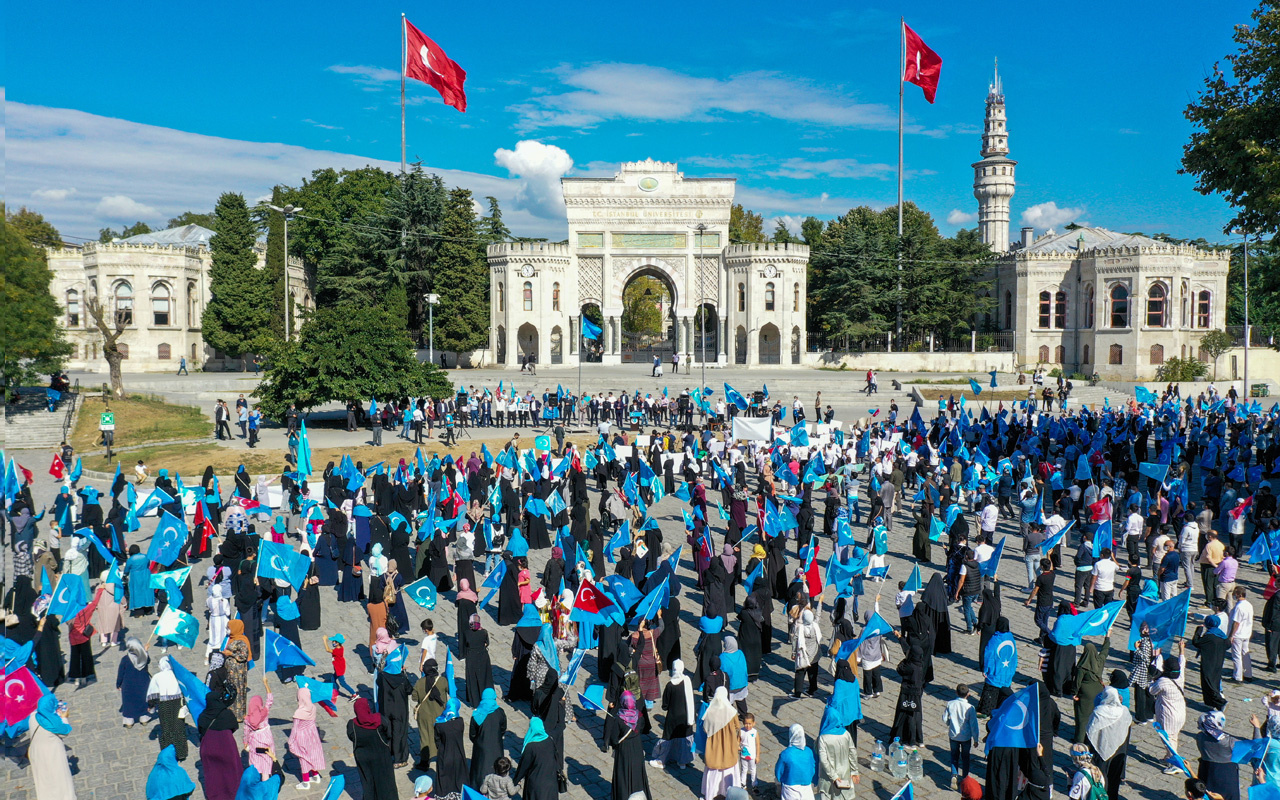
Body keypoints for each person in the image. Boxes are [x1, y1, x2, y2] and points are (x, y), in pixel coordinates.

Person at [1085, 688, 1131, 800]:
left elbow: (1090, 732)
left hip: (1100, 747)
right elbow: (1127, 729)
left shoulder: (1099, 712)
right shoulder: (1124, 711)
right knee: (1114, 777)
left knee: (1100, 775)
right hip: (1119, 748)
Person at [348, 698, 398, 800]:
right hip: (381, 755)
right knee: (386, 780)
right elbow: (388, 734)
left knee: (368, 781)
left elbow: (351, 737)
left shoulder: (352, 724)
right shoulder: (379, 719)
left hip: (363, 757)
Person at [650, 659, 696, 769]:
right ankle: (682, 761)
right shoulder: (687, 681)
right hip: (686, 716)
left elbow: (665, 706)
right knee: (683, 737)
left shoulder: (670, 685)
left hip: (673, 716)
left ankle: (662, 760)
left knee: (668, 737)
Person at [29, 694, 76, 799]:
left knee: (44, 780)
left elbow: (46, 715)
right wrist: (64, 717)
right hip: (52, 754)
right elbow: (65, 731)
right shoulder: (53, 723)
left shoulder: (33, 717)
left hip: (37, 753)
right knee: (60, 778)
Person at [608, 689, 651, 800]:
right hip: (637, 747)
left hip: (624, 750)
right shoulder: (639, 716)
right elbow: (641, 728)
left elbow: (613, 738)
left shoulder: (619, 719)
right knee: (637, 774)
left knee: (623, 775)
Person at [701, 686, 741, 800]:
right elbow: (737, 726)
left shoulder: (710, 711)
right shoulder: (731, 712)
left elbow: (705, 728)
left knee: (714, 772)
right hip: (728, 746)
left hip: (714, 747)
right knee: (728, 769)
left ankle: (711, 794)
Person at [148, 656, 189, 762]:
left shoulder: (157, 677)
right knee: (178, 728)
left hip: (164, 705)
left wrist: (151, 706)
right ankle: (181, 753)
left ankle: (168, 753)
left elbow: (153, 694)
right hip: (178, 704)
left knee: (166, 728)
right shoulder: (177, 675)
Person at [1194, 711, 1241, 800]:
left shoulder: (1200, 736)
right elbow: (1255, 745)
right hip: (1227, 773)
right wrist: (1256, 727)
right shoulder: (1228, 742)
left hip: (1206, 770)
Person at [816, 706, 859, 800]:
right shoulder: (845, 734)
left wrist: (834, 776)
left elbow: (824, 760)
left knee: (827, 795)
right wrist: (854, 771)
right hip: (845, 772)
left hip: (828, 775)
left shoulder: (823, 738)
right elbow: (852, 753)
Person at [469, 687, 508, 789]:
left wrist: (478, 741)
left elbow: (472, 735)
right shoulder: (500, 712)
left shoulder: (477, 714)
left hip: (481, 748)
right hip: (496, 746)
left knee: (480, 769)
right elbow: (503, 728)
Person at [513, 717, 559, 800]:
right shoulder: (550, 740)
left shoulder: (530, 747)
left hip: (536, 784)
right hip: (551, 782)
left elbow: (523, 767)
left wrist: (515, 781)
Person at [944, 684, 979, 787]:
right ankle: (965, 778)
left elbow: (945, 718)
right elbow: (974, 725)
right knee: (965, 757)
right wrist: (976, 739)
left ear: (956, 693)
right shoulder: (970, 708)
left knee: (954, 755)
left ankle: (954, 775)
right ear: (968, 694)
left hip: (953, 735)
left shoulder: (950, 704)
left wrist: (949, 724)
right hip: (966, 737)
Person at [775, 724, 817, 800]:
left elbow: (779, 772)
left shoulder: (786, 754)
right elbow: (813, 767)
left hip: (790, 786)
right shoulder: (808, 751)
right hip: (806, 784)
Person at [1228, 586, 1254, 682]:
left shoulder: (1239, 607)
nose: (1233, 596)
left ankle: (1237, 676)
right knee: (1245, 654)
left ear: (1238, 594)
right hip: (1246, 633)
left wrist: (1231, 635)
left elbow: (1236, 623)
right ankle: (1248, 674)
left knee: (1236, 656)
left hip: (1238, 634)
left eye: (1234, 594)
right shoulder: (1249, 605)